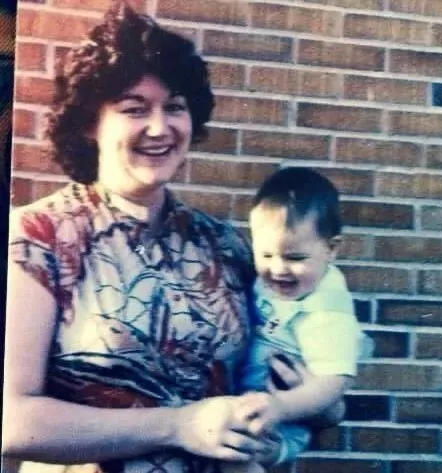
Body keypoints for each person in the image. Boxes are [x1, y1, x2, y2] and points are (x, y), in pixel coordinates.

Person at [2, 3, 341, 473]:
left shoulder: (225, 247)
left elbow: (298, 382)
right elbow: (12, 423)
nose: (160, 128)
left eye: (175, 107)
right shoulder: (37, 237)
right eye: (134, 109)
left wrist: (320, 405)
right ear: (90, 123)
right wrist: (179, 425)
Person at [220, 167, 370, 473]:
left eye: (295, 258)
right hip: (248, 401)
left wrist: (281, 407)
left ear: (331, 249)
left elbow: (334, 383)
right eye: (266, 255)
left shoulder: (327, 311)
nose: (278, 269)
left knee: (234, 459)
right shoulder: (268, 279)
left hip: (280, 420)